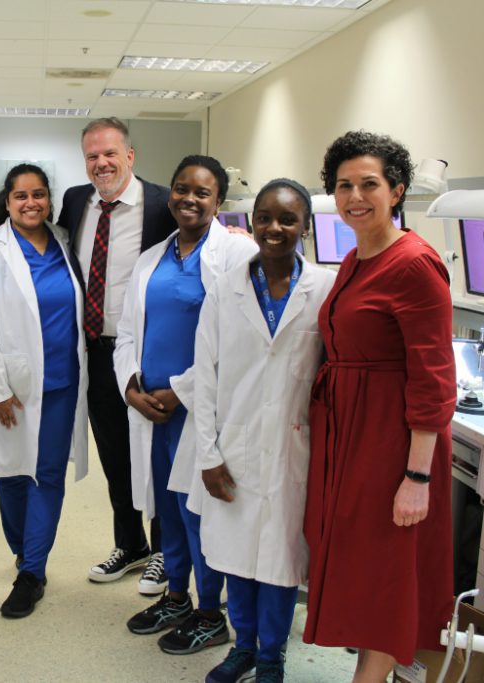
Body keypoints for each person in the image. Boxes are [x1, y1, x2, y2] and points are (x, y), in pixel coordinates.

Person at [303, 131, 456, 682]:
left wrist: (416, 474)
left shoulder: (415, 264)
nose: (355, 196)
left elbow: (434, 378)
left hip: (391, 443)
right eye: (343, 186)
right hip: (350, 434)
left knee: (387, 574)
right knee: (360, 567)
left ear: (397, 190)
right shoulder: (354, 259)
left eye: (369, 184)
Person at [114, 155, 258, 656]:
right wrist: (131, 386)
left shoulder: (238, 256)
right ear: (170, 193)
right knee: (168, 513)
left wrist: (181, 391)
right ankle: (176, 595)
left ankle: (209, 613)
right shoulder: (152, 257)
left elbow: (239, 341)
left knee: (200, 515)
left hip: (200, 410)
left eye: (202, 192)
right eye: (181, 189)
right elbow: (129, 332)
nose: (189, 199)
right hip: (151, 410)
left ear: (218, 201)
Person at [192, 179, 335, 683]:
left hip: (293, 446)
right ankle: (242, 647)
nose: (275, 228)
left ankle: (272, 655)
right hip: (231, 443)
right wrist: (206, 454)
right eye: (265, 217)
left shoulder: (325, 289)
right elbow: (203, 375)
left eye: (288, 219)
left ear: (306, 227)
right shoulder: (226, 286)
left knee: (281, 560)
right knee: (235, 554)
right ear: (250, 223)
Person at [57, 117, 174, 593]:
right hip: (96, 352)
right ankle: (130, 544)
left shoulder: (164, 204)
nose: (101, 163)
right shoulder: (74, 201)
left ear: (130, 156)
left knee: (158, 453)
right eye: (91, 156)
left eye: (110, 154)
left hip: (150, 354)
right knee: (114, 454)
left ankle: (166, 549)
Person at [0, 164, 88, 618]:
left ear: (49, 200)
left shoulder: (61, 241)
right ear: (8, 201)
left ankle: (32, 571)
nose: (31, 202)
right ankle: (23, 552)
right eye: (21, 196)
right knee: (13, 475)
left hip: (62, 382)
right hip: (13, 386)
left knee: (47, 475)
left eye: (39, 194)